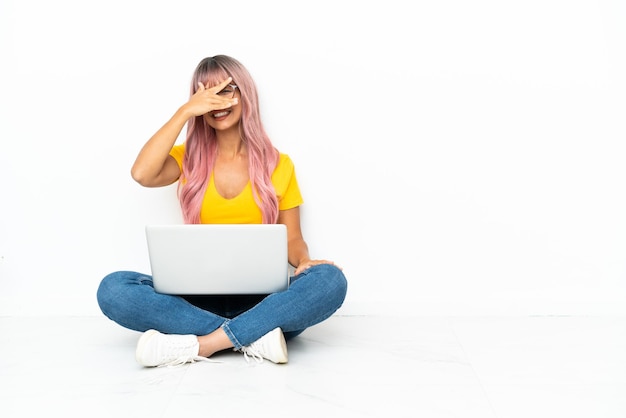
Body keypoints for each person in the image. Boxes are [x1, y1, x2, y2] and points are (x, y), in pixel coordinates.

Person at [96, 55, 348, 367]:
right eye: (207, 94)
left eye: (227, 91)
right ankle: (253, 337)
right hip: (196, 300)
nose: (217, 102)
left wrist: (305, 262)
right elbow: (142, 173)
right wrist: (185, 112)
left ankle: (204, 344)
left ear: (246, 95)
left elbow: (292, 240)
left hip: (263, 301)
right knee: (114, 288)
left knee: (330, 280)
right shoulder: (186, 158)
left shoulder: (279, 165)